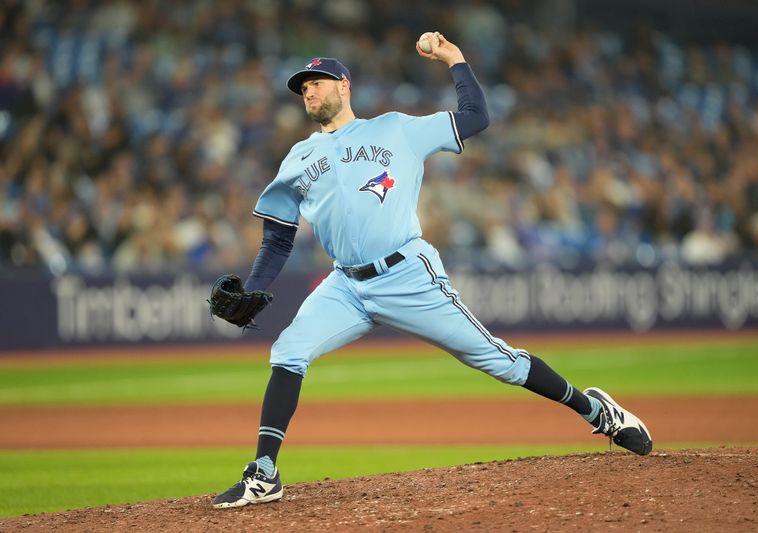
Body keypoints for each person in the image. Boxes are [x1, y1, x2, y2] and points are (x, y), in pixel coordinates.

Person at [212, 32, 652, 509]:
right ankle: (265, 473)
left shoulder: (396, 129)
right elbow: (278, 237)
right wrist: (253, 289)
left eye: (317, 82)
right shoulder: (298, 158)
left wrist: (455, 60)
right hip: (345, 284)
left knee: (500, 362)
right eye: (303, 88)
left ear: (345, 86)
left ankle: (595, 410)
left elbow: (477, 117)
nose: (309, 92)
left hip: (407, 275)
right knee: (288, 350)